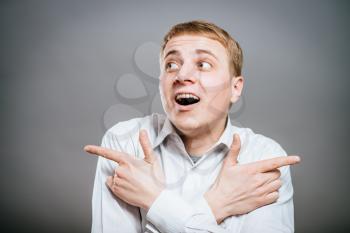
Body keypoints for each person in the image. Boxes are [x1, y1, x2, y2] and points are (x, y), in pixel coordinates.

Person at [84, 20, 301, 233]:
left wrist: (156, 201)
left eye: (203, 64)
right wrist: (217, 205)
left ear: (235, 88)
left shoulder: (263, 157)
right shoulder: (124, 144)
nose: (181, 75)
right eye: (171, 65)